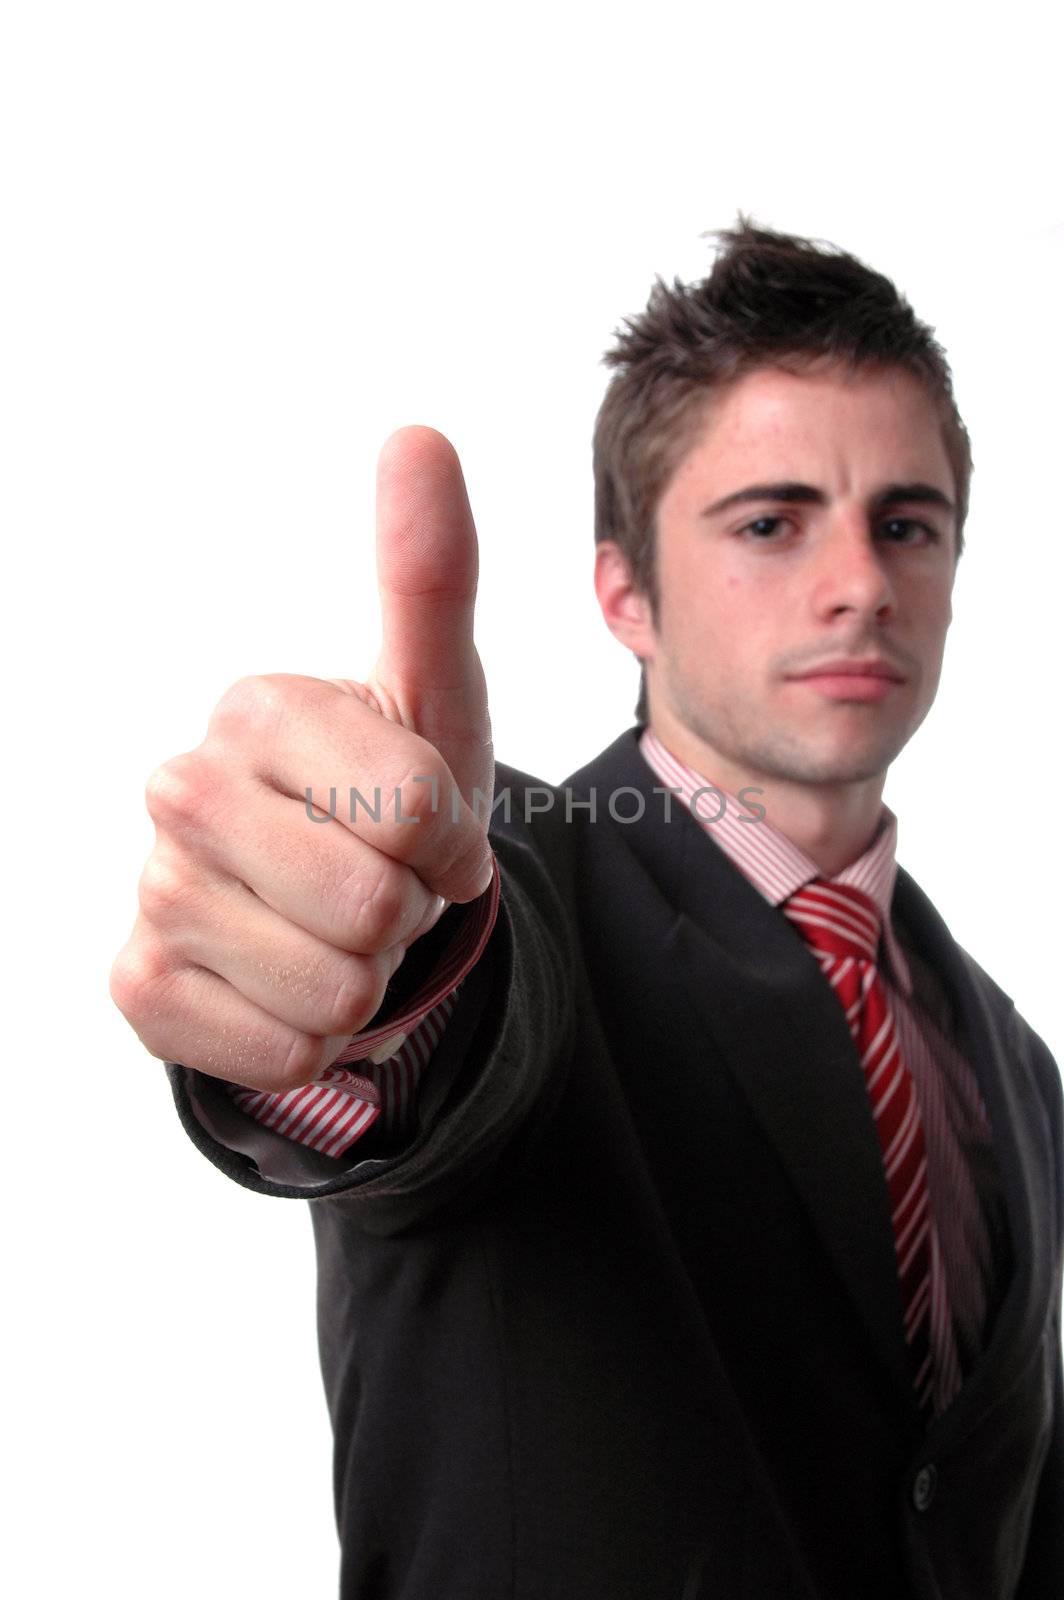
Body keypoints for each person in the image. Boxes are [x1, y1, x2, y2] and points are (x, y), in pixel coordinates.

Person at [110, 220, 1064, 1599]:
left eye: (906, 524)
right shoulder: (513, 886)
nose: (860, 584)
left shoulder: (1013, 1059)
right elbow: (437, 1043)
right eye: (770, 523)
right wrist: (362, 977)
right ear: (625, 591)